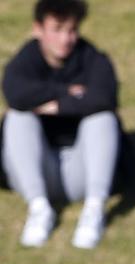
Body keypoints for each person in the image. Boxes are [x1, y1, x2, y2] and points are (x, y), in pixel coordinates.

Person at [2, 0, 120, 249]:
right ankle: (38, 208)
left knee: (102, 117)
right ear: (38, 29)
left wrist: (57, 105)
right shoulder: (24, 62)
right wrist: (69, 92)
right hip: (35, 171)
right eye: (57, 29)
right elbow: (16, 94)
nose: (66, 39)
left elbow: (104, 97)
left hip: (81, 172)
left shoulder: (93, 60)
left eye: (72, 30)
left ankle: (94, 209)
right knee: (17, 116)